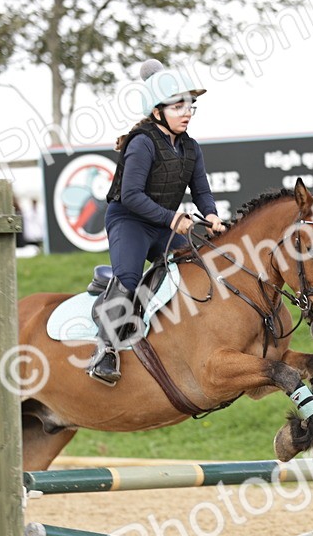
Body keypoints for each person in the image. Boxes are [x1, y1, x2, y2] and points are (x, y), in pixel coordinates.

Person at [87, 58, 226, 385]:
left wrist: (212, 216)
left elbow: (202, 191)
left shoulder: (191, 148)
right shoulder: (142, 143)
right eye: (178, 105)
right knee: (131, 277)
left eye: (190, 105)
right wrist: (173, 217)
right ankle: (104, 351)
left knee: (199, 264)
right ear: (156, 111)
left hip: (164, 224)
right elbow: (132, 196)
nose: (187, 111)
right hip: (129, 221)